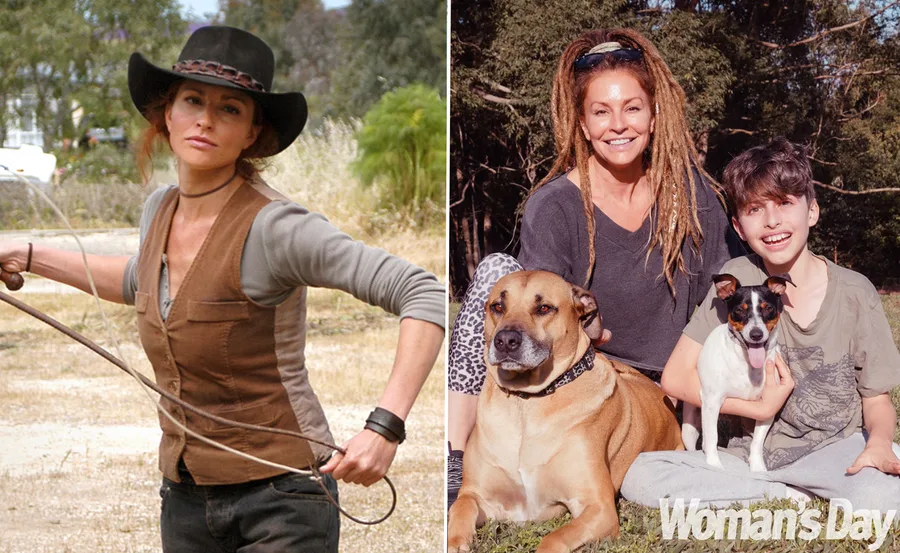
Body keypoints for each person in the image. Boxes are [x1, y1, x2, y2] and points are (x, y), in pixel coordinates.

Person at [0, 26, 445, 552]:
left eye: (230, 109)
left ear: (252, 132)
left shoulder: (277, 228)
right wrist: (26, 257)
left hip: (284, 501)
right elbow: (141, 282)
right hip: (186, 500)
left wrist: (385, 428)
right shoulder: (159, 208)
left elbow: (423, 292)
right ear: (167, 114)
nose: (206, 120)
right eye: (192, 100)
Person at [447, 28, 743, 506]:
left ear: (654, 113)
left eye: (631, 107)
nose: (618, 124)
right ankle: (456, 457)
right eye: (600, 112)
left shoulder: (693, 197)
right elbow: (539, 312)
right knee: (494, 271)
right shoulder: (554, 206)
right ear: (582, 125)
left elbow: (723, 292)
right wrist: (590, 325)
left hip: (674, 386)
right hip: (586, 377)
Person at [621, 137, 900, 511]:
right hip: (748, 455)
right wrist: (758, 409)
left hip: (833, 448)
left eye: (785, 203)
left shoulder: (855, 292)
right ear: (738, 226)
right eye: (754, 209)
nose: (771, 221)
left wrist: (879, 442)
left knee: (882, 496)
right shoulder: (735, 278)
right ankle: (784, 492)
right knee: (641, 476)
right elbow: (675, 378)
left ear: (812, 211)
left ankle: (799, 486)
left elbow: (877, 399)